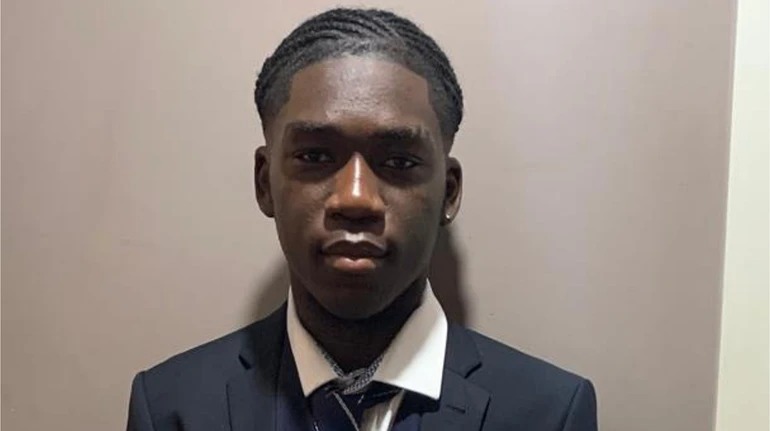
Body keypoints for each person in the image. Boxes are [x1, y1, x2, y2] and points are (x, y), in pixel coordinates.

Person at [127, 7, 597, 431]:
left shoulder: (550, 413)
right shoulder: (172, 407)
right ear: (265, 183)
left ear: (449, 192)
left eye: (399, 161)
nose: (356, 198)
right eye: (315, 156)